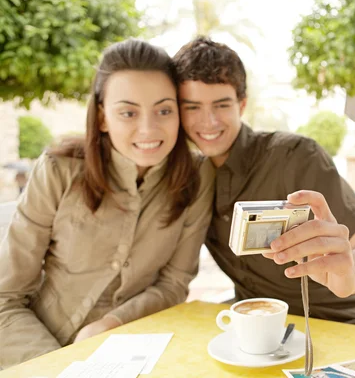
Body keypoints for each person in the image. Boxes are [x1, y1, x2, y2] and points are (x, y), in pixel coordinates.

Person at [0, 39, 214, 368]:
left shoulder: (197, 177)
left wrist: (110, 324)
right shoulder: (59, 170)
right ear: (102, 118)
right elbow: (6, 299)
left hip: (135, 354)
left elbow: (173, 284)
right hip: (34, 354)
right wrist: (65, 366)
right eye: (128, 112)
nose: (148, 128)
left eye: (164, 110)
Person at [173, 37, 355, 329]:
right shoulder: (188, 178)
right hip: (261, 333)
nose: (208, 122)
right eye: (192, 108)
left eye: (221, 105)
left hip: (344, 326)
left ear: (241, 105)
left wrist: (354, 275)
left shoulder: (294, 156)